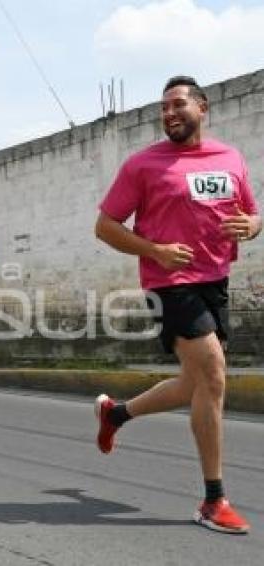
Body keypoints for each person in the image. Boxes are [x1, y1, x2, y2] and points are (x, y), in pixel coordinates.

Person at [94, 76, 260, 535]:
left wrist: (253, 225)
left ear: (203, 108)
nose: (169, 113)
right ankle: (214, 500)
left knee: (194, 384)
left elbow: (251, 213)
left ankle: (116, 413)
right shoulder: (143, 165)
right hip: (169, 281)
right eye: (163, 107)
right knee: (213, 373)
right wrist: (155, 251)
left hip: (215, 279)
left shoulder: (229, 158)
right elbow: (105, 225)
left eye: (178, 104)